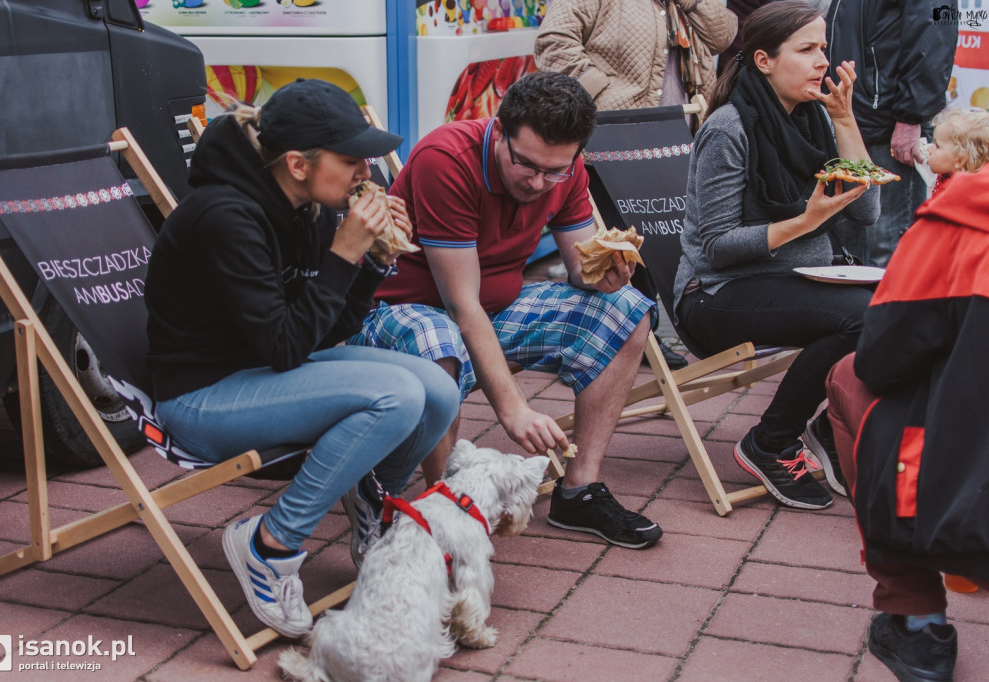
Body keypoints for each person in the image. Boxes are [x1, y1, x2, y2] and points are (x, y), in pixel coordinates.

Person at [143, 79, 460, 638]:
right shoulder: (225, 217)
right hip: (202, 398)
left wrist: (370, 262)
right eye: (352, 160)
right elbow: (288, 347)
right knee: (398, 395)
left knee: (437, 388)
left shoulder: (307, 208)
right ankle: (269, 543)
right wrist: (344, 252)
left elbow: (324, 331)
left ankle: (370, 502)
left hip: (266, 374)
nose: (367, 173)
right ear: (296, 163)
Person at [348, 71, 663, 550]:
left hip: (495, 308)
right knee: (439, 340)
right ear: (499, 132)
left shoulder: (566, 168)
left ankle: (579, 490)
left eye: (556, 170)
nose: (541, 182)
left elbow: (581, 268)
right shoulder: (446, 159)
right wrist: (513, 409)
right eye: (527, 165)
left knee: (624, 309)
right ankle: (440, 508)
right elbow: (461, 304)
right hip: (399, 311)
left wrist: (605, 276)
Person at [672, 1, 881, 511]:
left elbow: (868, 211)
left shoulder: (816, 120)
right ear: (763, 60)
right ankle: (771, 441)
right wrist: (805, 222)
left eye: (823, 50)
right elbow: (717, 249)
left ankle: (830, 426)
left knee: (900, 305)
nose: (821, 63)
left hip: (799, 280)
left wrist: (846, 120)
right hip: (716, 295)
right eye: (806, 50)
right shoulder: (729, 129)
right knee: (860, 317)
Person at [824, 166, 989, 682]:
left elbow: (882, 359)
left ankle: (917, 620)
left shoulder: (960, 218)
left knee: (850, 377)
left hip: (968, 504)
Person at [534, 0, 737, 370]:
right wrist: (604, 98)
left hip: (676, 134)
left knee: (656, 238)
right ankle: (616, 338)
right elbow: (554, 44)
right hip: (611, 137)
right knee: (614, 241)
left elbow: (722, 36)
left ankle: (638, 332)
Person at [825, 0, 958, 266]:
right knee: (850, 250)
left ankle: (892, 308)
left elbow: (934, 38)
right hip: (854, 116)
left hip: (888, 123)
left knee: (886, 249)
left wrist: (910, 117)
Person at [923, 106, 989, 196]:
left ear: (960, 160)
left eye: (937, 146)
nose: (929, 149)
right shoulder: (945, 177)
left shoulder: (962, 195)